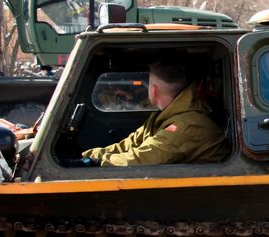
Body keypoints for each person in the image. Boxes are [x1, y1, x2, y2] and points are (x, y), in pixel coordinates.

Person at [81, 60, 227, 166]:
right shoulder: (163, 116)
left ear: (153, 90)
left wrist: (98, 161)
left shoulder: (188, 125)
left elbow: (142, 159)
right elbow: (130, 144)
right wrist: (88, 156)